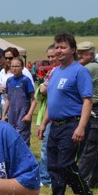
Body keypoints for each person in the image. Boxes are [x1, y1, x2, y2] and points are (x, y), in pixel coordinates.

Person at [36, 32, 96, 195]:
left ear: (73, 50)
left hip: (73, 123)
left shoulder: (80, 71)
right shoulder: (55, 72)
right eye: (56, 47)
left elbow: (87, 101)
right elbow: (52, 101)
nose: (58, 50)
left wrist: (81, 127)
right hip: (55, 125)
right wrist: (43, 123)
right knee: (53, 166)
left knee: (66, 164)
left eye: (63, 47)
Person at [76, 41, 98, 189]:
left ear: (91, 54)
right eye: (78, 52)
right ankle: (96, 181)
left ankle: (79, 182)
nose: (79, 56)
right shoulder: (88, 67)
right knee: (97, 147)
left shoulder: (91, 67)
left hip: (97, 110)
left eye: (83, 53)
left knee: (89, 146)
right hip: (97, 109)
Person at [1, 57, 37, 145]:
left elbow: (34, 100)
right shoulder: (9, 81)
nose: (14, 68)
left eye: (17, 66)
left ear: (22, 67)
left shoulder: (25, 81)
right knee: (11, 138)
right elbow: (8, 99)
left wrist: (29, 115)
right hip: (12, 115)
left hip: (23, 115)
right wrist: (3, 115)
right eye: (12, 66)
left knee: (22, 140)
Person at [36, 45, 56, 187]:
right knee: (48, 147)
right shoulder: (52, 72)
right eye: (48, 57)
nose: (50, 59)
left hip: (55, 116)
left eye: (52, 56)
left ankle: (45, 178)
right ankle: (46, 177)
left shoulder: (54, 72)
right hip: (50, 114)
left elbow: (43, 90)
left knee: (48, 148)